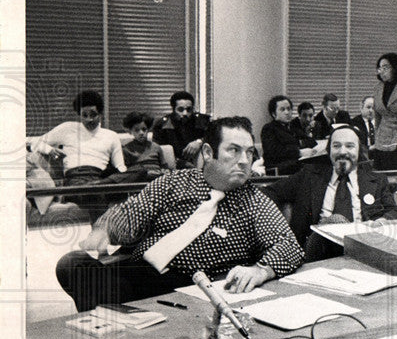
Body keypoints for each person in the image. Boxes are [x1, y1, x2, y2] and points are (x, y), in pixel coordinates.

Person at [55, 117, 305, 312]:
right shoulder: (174, 183)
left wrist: (260, 271)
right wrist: (107, 229)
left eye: (250, 153)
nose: (244, 161)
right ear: (208, 153)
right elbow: (132, 212)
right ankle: (102, 330)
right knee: (72, 264)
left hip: (196, 287)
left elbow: (288, 246)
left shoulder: (254, 201)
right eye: (234, 150)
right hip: (141, 273)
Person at [264, 123, 397, 261]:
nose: (342, 151)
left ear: (359, 151)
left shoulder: (377, 180)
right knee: (336, 221)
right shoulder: (308, 176)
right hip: (315, 257)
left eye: (349, 146)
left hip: (363, 255)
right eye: (336, 146)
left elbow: (394, 212)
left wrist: (382, 222)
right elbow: (268, 193)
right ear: (329, 150)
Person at [33, 90, 126, 185]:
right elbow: (33, 142)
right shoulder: (67, 128)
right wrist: (49, 150)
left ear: (100, 113)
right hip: (74, 177)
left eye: (93, 115)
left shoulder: (111, 136)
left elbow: (120, 167)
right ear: (79, 115)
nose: (89, 119)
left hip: (99, 179)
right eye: (84, 115)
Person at [152, 90, 212, 169]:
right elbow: (157, 150)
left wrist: (199, 141)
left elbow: (214, 137)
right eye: (180, 109)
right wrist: (180, 162)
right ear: (173, 109)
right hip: (173, 166)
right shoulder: (163, 125)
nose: (185, 113)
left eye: (189, 109)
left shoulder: (202, 121)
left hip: (200, 165)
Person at [261, 94, 319, 175]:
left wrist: (299, 143)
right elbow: (274, 152)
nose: (287, 112)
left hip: (294, 165)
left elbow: (312, 142)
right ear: (274, 114)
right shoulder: (269, 129)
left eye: (289, 109)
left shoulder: (293, 127)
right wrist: (299, 152)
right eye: (282, 109)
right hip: (277, 169)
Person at [121, 111, 173, 181]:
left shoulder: (156, 147)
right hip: (140, 181)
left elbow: (164, 166)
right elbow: (127, 172)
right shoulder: (127, 149)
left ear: (148, 129)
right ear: (131, 131)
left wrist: (165, 171)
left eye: (144, 129)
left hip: (158, 180)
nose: (141, 133)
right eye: (137, 130)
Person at [351, 95, 377, 160]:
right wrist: (370, 148)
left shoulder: (381, 122)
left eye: (373, 108)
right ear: (361, 108)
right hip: (362, 157)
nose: (371, 110)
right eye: (368, 107)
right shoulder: (354, 123)